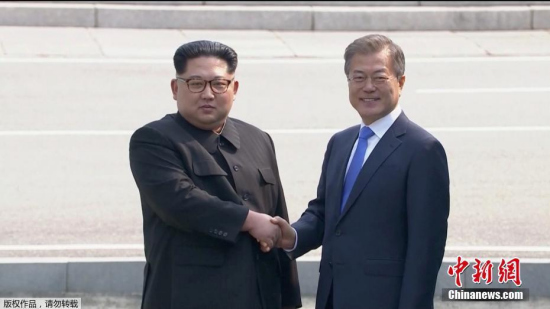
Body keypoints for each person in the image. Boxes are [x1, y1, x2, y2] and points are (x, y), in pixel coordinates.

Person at [268, 34, 450, 309]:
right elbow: (323, 212)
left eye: (379, 77)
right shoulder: (341, 142)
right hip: (333, 296)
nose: (368, 87)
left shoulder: (422, 150)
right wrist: (292, 236)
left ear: (400, 82)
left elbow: (425, 252)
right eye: (358, 77)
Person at [129, 40, 301, 309]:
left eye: (219, 84)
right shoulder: (153, 140)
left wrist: (288, 299)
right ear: (176, 89)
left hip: (258, 296)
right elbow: (180, 201)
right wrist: (249, 220)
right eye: (196, 83)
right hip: (189, 296)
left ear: (234, 88)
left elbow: (277, 213)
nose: (208, 94)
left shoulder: (258, 139)